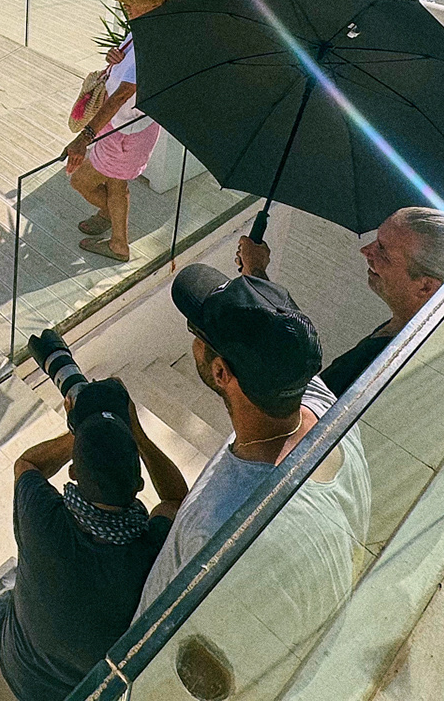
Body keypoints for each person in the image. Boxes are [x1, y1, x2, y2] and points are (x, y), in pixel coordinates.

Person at [135, 264, 370, 624]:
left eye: (196, 332)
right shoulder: (331, 409)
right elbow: (282, 342)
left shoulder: (222, 525)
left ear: (220, 372)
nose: (193, 341)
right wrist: (257, 274)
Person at [0, 379, 189, 701]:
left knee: (7, 575)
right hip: (83, 694)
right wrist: (135, 433)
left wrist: (81, 429)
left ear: (73, 472)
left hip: (18, 669)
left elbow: (27, 464)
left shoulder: (39, 515)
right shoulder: (151, 551)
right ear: (139, 484)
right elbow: (177, 500)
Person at [237, 206, 444, 395]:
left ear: (425, 286)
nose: (365, 250)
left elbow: (295, 400)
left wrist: (256, 273)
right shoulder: (414, 329)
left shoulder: (389, 362)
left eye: (382, 250)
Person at [65, 0, 193, 263]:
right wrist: (117, 58)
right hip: (129, 126)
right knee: (116, 184)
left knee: (80, 179)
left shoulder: (154, 44)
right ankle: (114, 232)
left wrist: (84, 138)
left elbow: (123, 94)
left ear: (157, 3)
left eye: (134, 2)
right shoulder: (149, 29)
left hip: (124, 131)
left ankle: (117, 238)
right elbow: (130, 72)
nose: (128, 8)